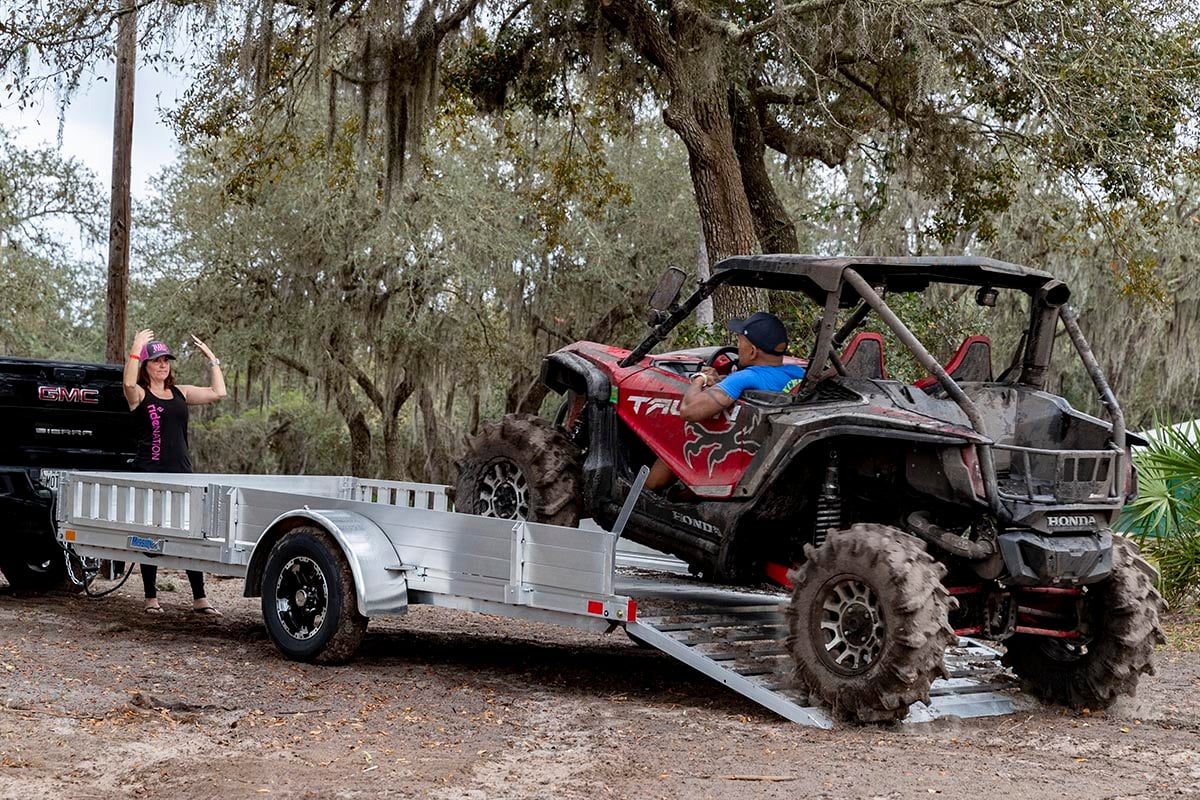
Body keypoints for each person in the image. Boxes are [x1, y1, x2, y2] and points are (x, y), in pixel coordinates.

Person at [122, 329, 228, 615]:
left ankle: (200, 599)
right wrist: (135, 348)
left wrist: (212, 359)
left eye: (166, 360)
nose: (162, 365)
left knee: (190, 533)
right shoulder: (139, 394)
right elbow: (128, 381)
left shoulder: (180, 393)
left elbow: (219, 392)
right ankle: (150, 598)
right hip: (150, 472)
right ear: (146, 366)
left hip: (182, 472)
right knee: (152, 534)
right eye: (156, 360)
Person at [645, 311, 806, 491]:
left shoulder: (746, 377)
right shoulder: (798, 373)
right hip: (767, 453)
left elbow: (689, 410)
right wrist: (721, 382)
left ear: (752, 351)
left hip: (733, 453)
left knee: (678, 438)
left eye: (740, 343)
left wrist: (700, 378)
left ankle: (647, 493)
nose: (738, 348)